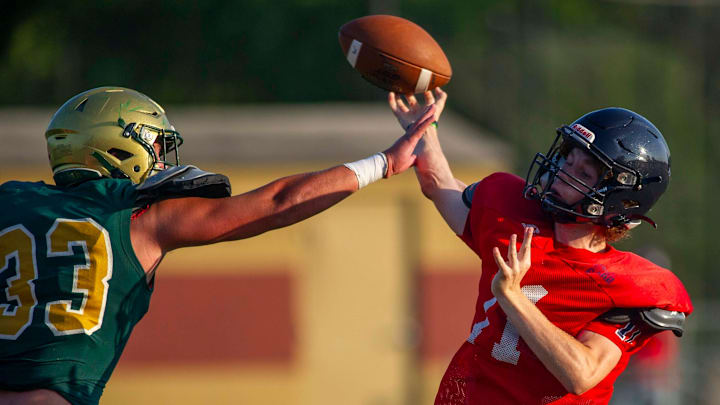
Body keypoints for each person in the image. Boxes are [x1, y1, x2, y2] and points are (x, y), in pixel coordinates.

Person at [0, 86, 437, 405]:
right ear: (118, 146)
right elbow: (278, 202)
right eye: (153, 145)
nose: (159, 159)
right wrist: (384, 163)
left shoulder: (10, 200)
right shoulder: (140, 219)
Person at [388, 88, 692, 404]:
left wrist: (512, 297)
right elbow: (439, 184)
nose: (562, 172)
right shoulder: (513, 220)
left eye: (583, 172)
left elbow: (581, 375)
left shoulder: (627, 285)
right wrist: (424, 128)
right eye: (567, 160)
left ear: (619, 201)